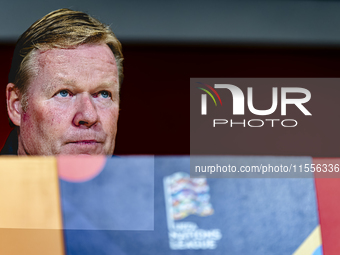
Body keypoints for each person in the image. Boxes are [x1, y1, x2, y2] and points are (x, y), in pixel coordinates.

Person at [1, 8, 123, 155]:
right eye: (64, 93)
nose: (89, 116)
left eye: (104, 94)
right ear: (16, 105)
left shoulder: (145, 178)